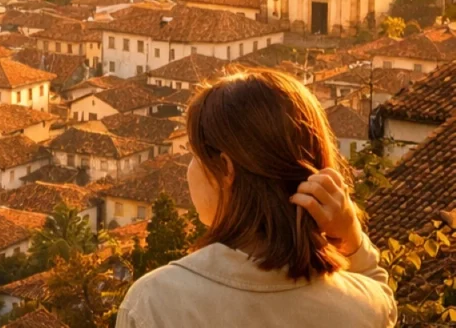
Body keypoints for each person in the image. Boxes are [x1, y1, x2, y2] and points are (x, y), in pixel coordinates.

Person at [116, 69, 397, 328]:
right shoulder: (362, 308)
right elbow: (382, 302)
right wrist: (350, 235)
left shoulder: (154, 304)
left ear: (226, 168)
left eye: (194, 153)